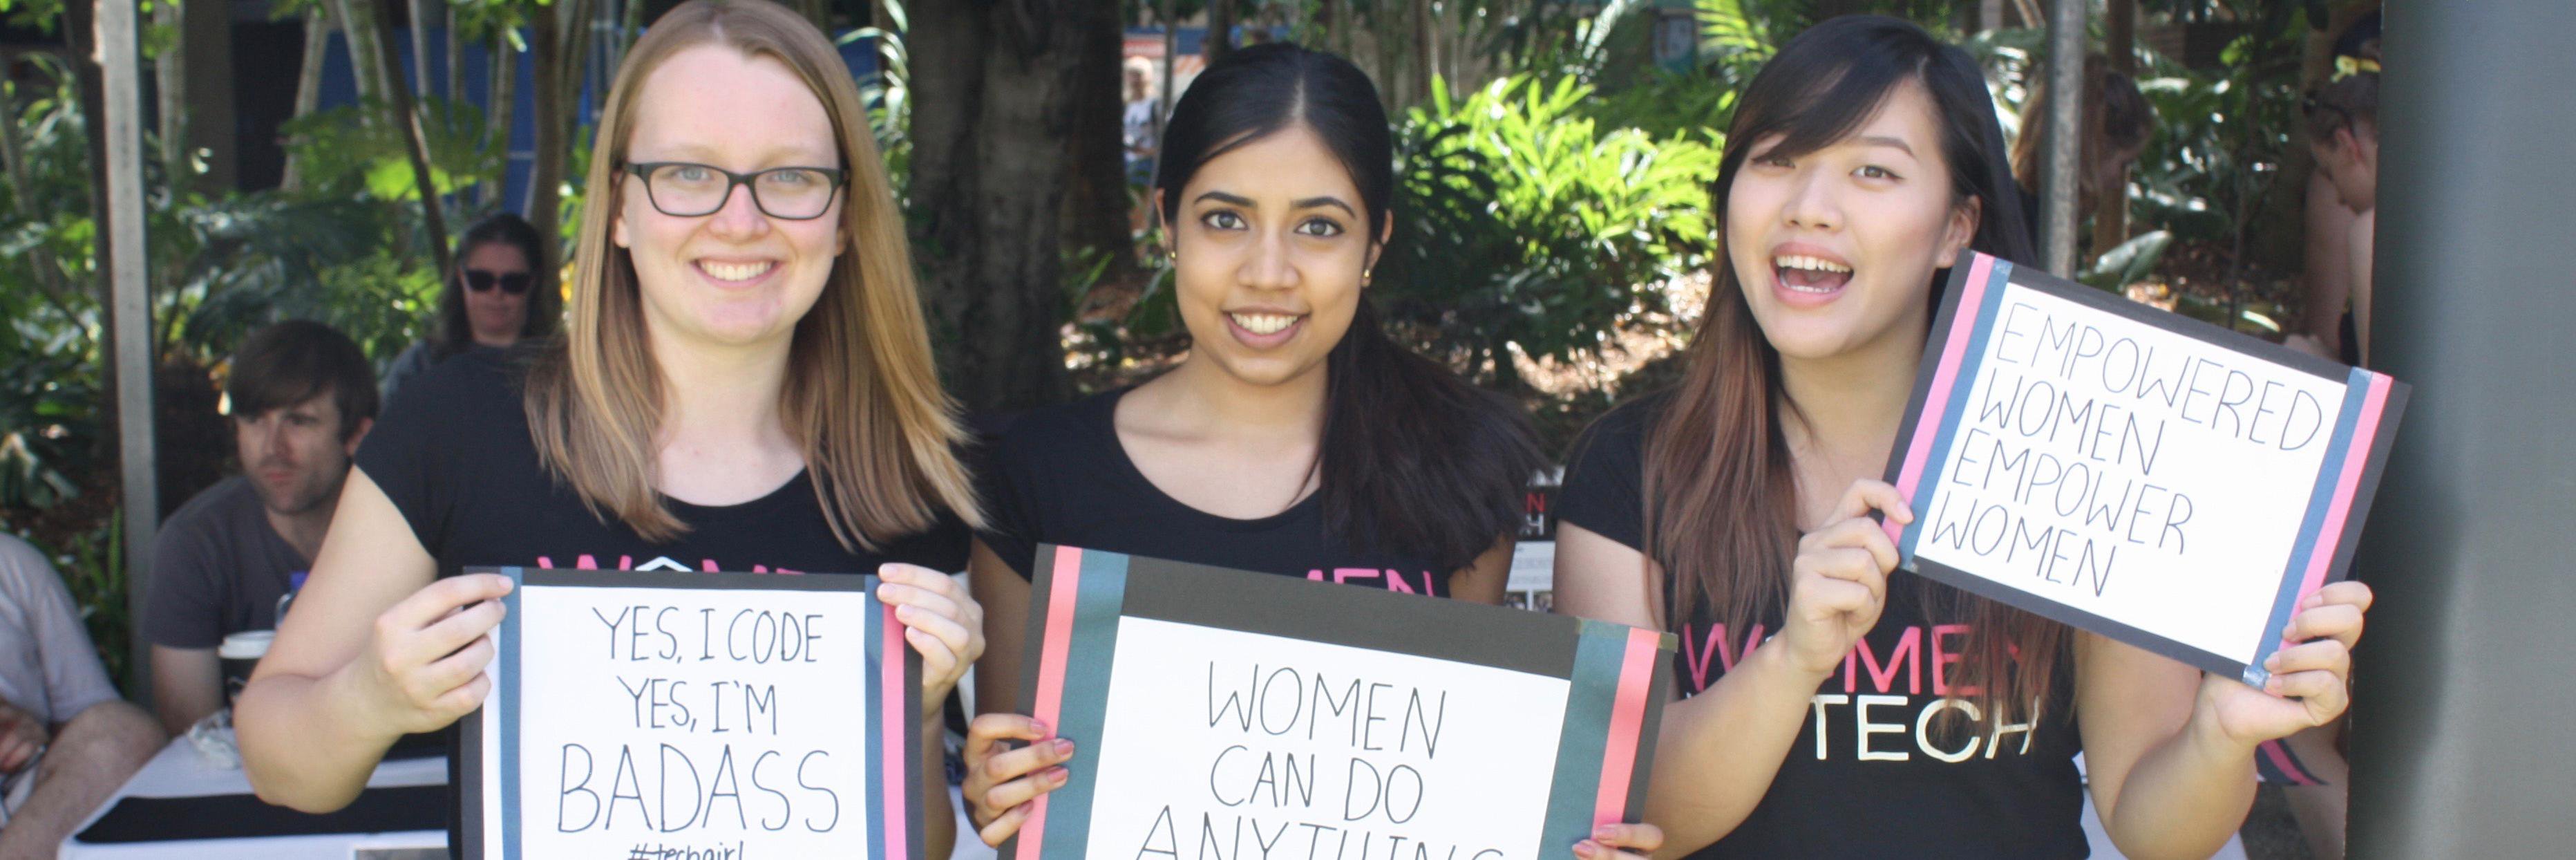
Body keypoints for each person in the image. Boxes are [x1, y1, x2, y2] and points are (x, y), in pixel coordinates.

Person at [1549, 17, 2372, 858]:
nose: (1809, 208)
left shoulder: (2080, 455)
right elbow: (1623, 809)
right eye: (1776, 160)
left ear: (1955, 226)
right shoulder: (1634, 469)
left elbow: (2151, 824)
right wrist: (1792, 659)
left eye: (1872, 170)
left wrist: (2220, 733)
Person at [232, 1, 988, 854]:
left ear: (845, 216)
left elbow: (912, 844)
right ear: (618, 205)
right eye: (689, 173)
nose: (740, 220)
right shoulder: (461, 427)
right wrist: (372, 696)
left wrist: (918, 714)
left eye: (790, 176)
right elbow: (276, 761)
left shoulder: (902, 477)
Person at [954, 42, 1602, 852]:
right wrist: (997, 792)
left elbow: (1454, 787)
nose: (1268, 272)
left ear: (1373, 245)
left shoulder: (1460, 465)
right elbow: (1021, 809)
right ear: (1166, 222)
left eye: (1318, 227)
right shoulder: (1038, 473)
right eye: (1225, 219)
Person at [144, 320, 378, 738]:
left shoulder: (410, 529)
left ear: (358, 435)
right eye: (255, 420)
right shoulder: (193, 542)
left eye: (299, 421)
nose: (273, 448)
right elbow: (195, 736)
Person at [0, 534, 165, 855]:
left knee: (124, 732)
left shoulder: (12, 562)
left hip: (20, 815)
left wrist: (28, 734)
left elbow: (86, 719)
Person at [379, 213, 559, 402]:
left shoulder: (555, 370)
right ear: (461, 277)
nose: (496, 293)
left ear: (533, 282)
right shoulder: (418, 366)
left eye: (513, 282)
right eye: (481, 280)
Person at [2008, 53, 2156, 257]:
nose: (2118, 181)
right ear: (2097, 148)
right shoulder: (2022, 227)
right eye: (2123, 164)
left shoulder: (2023, 213)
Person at [2295, 31, 2381, 368]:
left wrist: (2316, 364)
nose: (2341, 200)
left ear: (2347, 146)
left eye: (2331, 175)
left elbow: (2378, 394)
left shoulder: (2372, 231)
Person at [1121, 55, 1163, 185]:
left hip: (1147, 164)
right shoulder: (1125, 106)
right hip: (1127, 163)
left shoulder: (1155, 105)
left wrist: (1148, 152)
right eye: (1131, 75)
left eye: (1139, 75)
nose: (1135, 80)